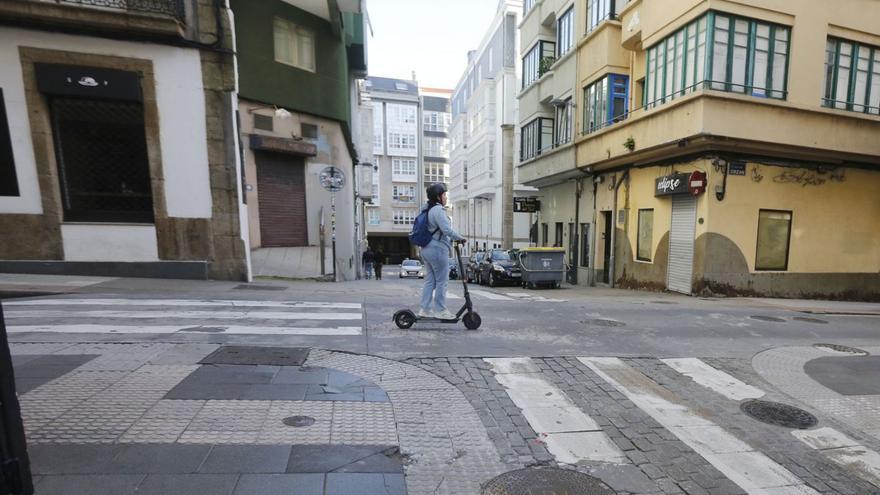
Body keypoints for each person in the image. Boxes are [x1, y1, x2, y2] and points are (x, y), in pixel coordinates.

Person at [419, 183, 465, 320]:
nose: (446, 197)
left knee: (430, 281)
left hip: (426, 248)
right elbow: (446, 230)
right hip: (438, 249)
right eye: (444, 194)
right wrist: (460, 238)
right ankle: (440, 310)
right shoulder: (438, 210)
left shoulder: (426, 209)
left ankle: (425, 309)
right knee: (442, 281)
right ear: (438, 197)